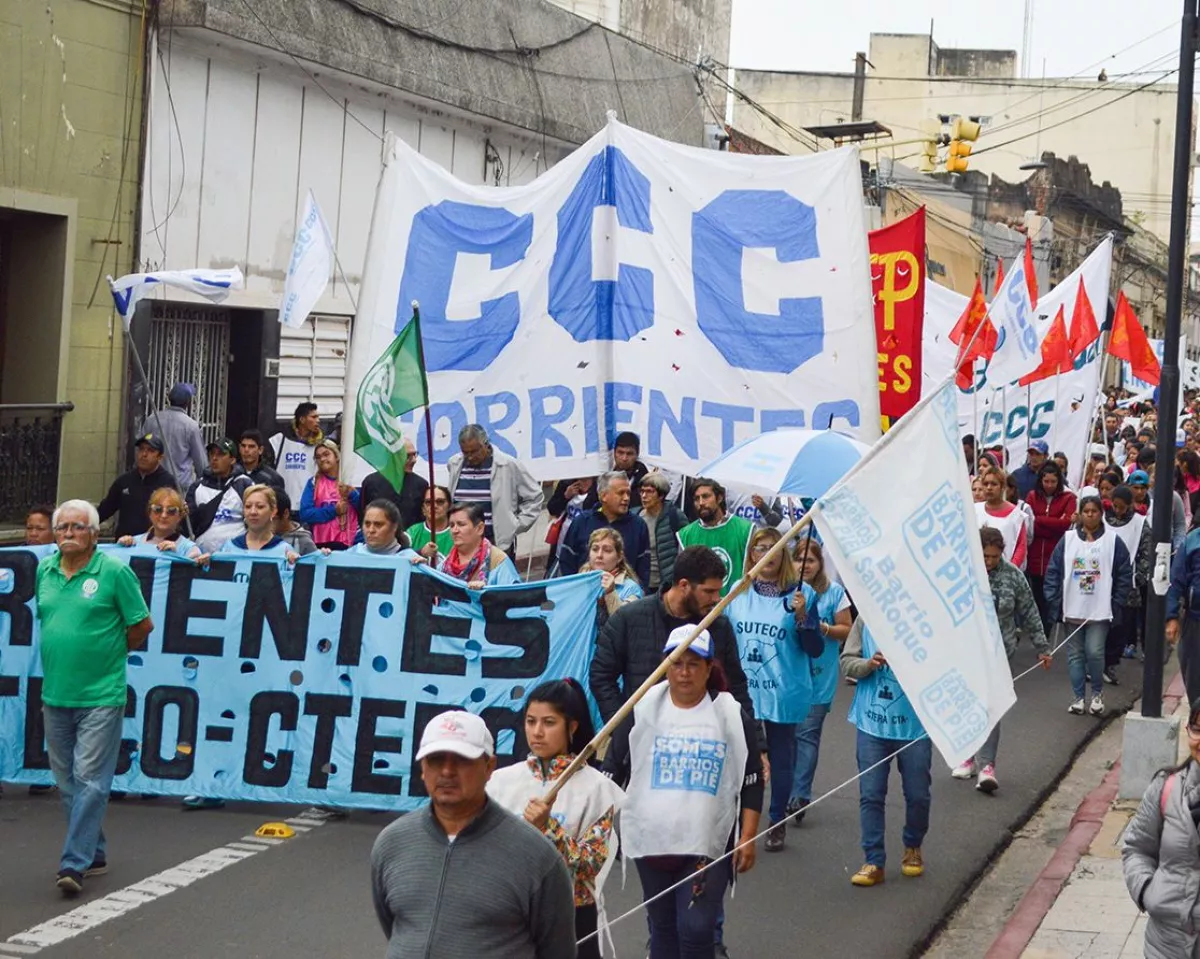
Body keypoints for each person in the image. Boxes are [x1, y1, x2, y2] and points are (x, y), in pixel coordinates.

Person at [604, 626, 762, 959]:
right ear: (665, 665)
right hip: (652, 844)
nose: (684, 672)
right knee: (662, 928)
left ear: (709, 668)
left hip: (705, 844)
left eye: (694, 663)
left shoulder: (730, 714)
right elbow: (612, 770)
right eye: (677, 663)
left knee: (696, 928)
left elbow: (751, 778)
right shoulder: (641, 708)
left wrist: (747, 835)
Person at [371, 710, 577, 959]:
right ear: (422, 768)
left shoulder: (537, 856)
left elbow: (557, 950)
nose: (447, 771)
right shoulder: (392, 842)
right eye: (436, 759)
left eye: (461, 759)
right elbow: (395, 927)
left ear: (489, 767)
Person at [36, 500, 153, 894]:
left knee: (90, 779)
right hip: (56, 694)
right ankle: (95, 850)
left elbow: (142, 624)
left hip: (102, 694)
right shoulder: (45, 570)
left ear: (93, 533)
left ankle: (73, 863)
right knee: (67, 780)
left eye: (77, 527)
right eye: (62, 528)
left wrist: (112, 652)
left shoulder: (115, 571)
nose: (68, 533)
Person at [590, 546, 764, 781]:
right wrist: (625, 725)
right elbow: (601, 676)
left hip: (701, 749)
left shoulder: (719, 626)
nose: (716, 599)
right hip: (641, 748)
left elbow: (737, 689)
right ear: (684, 585)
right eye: (709, 591)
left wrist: (757, 746)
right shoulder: (628, 619)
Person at [487, 680, 624, 959]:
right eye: (530, 721)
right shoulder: (501, 782)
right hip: (511, 914)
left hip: (572, 916)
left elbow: (590, 865)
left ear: (571, 727)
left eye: (549, 722)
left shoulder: (597, 789)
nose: (537, 732)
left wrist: (549, 828)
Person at [726, 527, 813, 852]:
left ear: (783, 555)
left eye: (773, 548)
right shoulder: (737, 591)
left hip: (783, 690)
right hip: (744, 690)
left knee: (781, 756)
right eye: (760, 548)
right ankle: (737, 821)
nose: (766, 555)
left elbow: (814, 647)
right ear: (751, 554)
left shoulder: (800, 595)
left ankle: (776, 821)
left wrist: (804, 617)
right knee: (741, 757)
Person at [952, 528, 1052, 793]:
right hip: (968, 650)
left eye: (995, 557)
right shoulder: (964, 572)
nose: (989, 562)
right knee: (971, 704)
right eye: (985, 556)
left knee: (991, 706)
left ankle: (987, 766)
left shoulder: (1013, 576)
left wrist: (1042, 646)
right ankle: (968, 754)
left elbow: (1029, 610)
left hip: (1001, 652)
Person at [841, 617, 931, 887]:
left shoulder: (926, 619)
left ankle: (913, 846)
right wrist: (868, 664)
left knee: (918, 795)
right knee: (871, 795)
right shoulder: (866, 618)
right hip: (871, 725)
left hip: (914, 727)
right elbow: (846, 662)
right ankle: (874, 860)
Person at [1121, 697, 1200, 959]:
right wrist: (1146, 891)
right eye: (1198, 729)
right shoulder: (1166, 787)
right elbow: (1136, 848)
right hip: (1165, 945)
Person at [1044, 490, 1133, 717]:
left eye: (1094, 511)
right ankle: (1078, 698)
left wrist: (1117, 602)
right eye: (1086, 511)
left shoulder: (1113, 542)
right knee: (1075, 655)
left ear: (1101, 514)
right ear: (1080, 514)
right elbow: (1053, 570)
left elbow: (1124, 573)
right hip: (1072, 609)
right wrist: (1054, 599)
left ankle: (1096, 694)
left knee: (1094, 652)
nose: (1090, 515)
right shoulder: (1068, 540)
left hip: (1100, 611)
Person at [789, 537, 852, 823]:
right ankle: (786, 789)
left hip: (820, 675)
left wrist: (822, 627)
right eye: (799, 559)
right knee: (788, 736)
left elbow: (846, 629)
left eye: (810, 560)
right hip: (790, 675)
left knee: (807, 734)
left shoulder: (834, 592)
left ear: (820, 563)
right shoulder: (786, 591)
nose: (805, 565)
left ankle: (800, 794)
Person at [446, 424, 543, 558]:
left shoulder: (508, 465)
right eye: (465, 452)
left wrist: (515, 525)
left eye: (474, 451)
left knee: (497, 578)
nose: (469, 457)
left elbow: (534, 497)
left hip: (496, 542)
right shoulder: (454, 463)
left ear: (485, 444)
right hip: (463, 541)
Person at [557, 471, 651, 587]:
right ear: (603, 496)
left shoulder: (639, 526)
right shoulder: (582, 522)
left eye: (628, 493)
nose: (626, 498)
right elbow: (567, 562)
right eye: (621, 493)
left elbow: (644, 569)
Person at [678, 479, 755, 596]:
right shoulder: (685, 535)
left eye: (705, 496)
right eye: (696, 499)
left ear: (719, 498)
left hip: (737, 603)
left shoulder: (746, 530)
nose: (701, 503)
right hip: (701, 610)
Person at [1105, 486, 1152, 680]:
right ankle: (1100, 663)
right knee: (1104, 625)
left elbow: (1146, 553)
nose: (1117, 510)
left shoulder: (1141, 524)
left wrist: (1138, 577)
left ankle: (1111, 662)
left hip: (1128, 585)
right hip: (1105, 581)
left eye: (1122, 508)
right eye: (1115, 506)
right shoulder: (1103, 520)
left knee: (1121, 627)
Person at [1025, 464, 1077, 634]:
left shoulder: (1069, 498)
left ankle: (1048, 627)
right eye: (1046, 481)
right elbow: (1029, 524)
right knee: (1038, 595)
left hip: (1056, 554)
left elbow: (1066, 524)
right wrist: (1054, 522)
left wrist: (1040, 520)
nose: (1049, 485)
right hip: (1035, 555)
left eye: (1053, 481)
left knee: (1052, 595)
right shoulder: (1032, 496)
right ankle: (1041, 629)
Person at [98, 433, 178, 539]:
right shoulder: (124, 481)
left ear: (160, 457)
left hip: (154, 546)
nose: (144, 454)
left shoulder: (168, 483)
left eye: (150, 450)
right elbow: (105, 510)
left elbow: (176, 518)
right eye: (141, 449)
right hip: (125, 545)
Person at [186, 437, 254, 553]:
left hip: (236, 556)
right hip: (202, 557)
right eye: (211, 454)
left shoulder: (244, 484)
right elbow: (188, 526)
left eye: (221, 454)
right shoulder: (197, 487)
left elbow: (254, 521)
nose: (214, 458)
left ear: (232, 459)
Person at [138, 382, 207, 490]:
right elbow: (201, 463)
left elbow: (139, 451)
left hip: (152, 484)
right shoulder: (190, 426)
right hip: (178, 487)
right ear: (188, 402)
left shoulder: (152, 420)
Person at [437, 502, 520, 587]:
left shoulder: (498, 561)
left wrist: (485, 593)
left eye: (461, 524)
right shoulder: (445, 564)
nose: (455, 530)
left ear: (480, 528)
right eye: (451, 525)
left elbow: (512, 597)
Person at [298, 440, 360, 550]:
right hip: (321, 544)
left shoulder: (351, 479)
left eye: (326, 454)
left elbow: (363, 508)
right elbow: (305, 513)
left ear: (336, 456)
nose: (322, 459)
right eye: (318, 457)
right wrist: (334, 510)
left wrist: (351, 494)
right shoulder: (313, 482)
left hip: (351, 542)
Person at [115, 487, 206, 562]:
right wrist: (119, 549)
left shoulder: (190, 550)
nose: (163, 515)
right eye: (158, 509)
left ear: (179, 516)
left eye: (171, 511)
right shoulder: (133, 542)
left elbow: (193, 577)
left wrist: (177, 557)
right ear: (150, 512)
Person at [634, 471, 688, 593]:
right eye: (642, 491)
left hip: (667, 584)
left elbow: (687, 548)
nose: (644, 495)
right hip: (641, 582)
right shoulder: (635, 516)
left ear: (661, 495)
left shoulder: (674, 516)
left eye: (649, 492)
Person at [581, 527, 643, 629]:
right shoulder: (580, 582)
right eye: (595, 549)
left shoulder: (631, 588)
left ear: (619, 557)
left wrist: (610, 593)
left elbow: (626, 625)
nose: (599, 555)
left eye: (607, 550)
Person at [361, 438, 428, 530]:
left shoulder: (421, 484)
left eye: (415, 454)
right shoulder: (371, 482)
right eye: (408, 456)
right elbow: (363, 515)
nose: (413, 460)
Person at [1167, 523, 1200, 704]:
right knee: (1194, 679)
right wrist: (1171, 617)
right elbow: (1176, 580)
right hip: (1195, 621)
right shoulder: (1193, 540)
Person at [269, 401, 324, 507]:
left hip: (307, 505)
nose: (318, 420)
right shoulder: (280, 440)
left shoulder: (320, 445)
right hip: (282, 503)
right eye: (313, 417)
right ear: (302, 419)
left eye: (318, 417)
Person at [975, 467, 1027, 570]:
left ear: (1002, 487)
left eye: (994, 484)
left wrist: (1010, 569)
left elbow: (1021, 546)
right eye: (986, 484)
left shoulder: (1016, 515)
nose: (989, 488)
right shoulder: (974, 510)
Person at [351, 500, 417, 558]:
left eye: (378, 524)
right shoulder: (351, 554)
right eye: (367, 524)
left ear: (394, 527)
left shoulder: (411, 560)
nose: (371, 530)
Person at [406, 485, 453, 563]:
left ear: (449, 506)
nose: (434, 506)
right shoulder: (412, 532)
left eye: (440, 502)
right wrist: (420, 552)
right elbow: (398, 556)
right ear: (423, 508)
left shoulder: (458, 531)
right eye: (428, 502)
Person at [273, 489, 318, 556]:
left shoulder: (304, 542)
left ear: (285, 513)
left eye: (272, 519)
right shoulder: (258, 537)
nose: (265, 524)